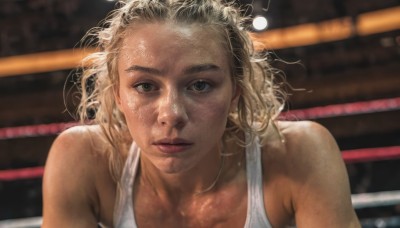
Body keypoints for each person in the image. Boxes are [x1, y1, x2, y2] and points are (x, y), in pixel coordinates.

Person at [42, 0, 360, 227]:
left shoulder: (299, 154)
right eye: (145, 86)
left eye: (200, 85)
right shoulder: (83, 158)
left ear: (236, 90)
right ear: (118, 95)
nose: (171, 114)